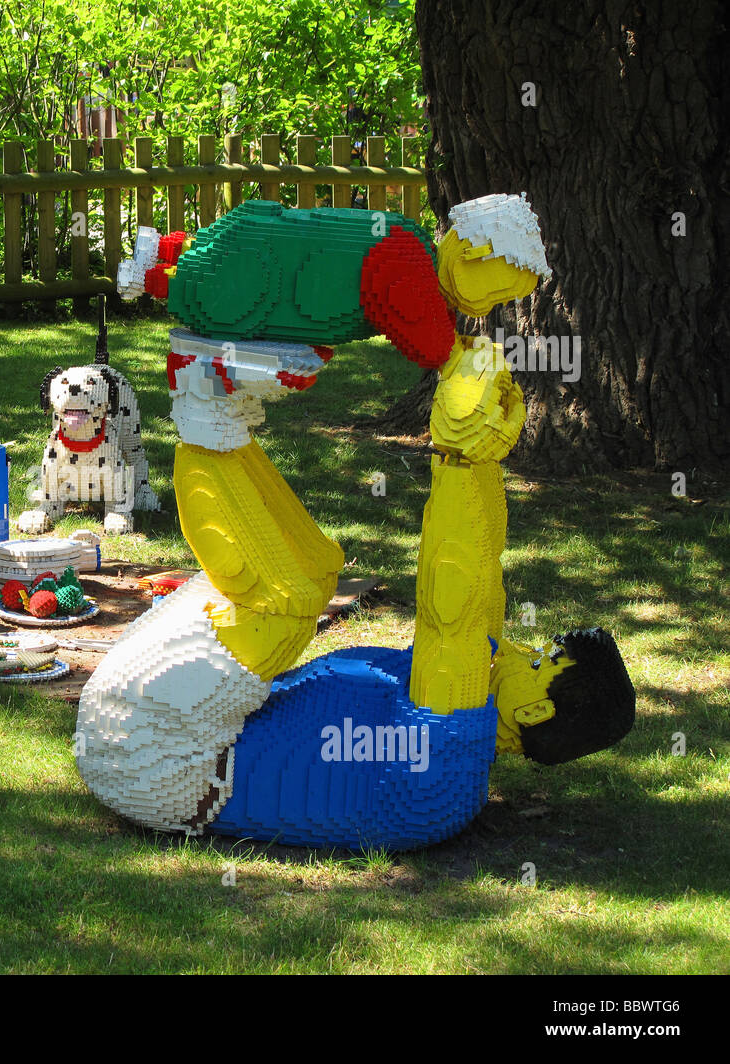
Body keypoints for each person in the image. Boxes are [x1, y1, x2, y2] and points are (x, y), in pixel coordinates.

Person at [77, 195, 635, 847]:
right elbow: (479, 573)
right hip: (158, 734)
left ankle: (205, 398)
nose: (521, 646)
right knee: (313, 572)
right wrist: (483, 455)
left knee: (286, 598)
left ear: (537, 709)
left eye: (541, 660)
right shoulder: (475, 693)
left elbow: (450, 606)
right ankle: (212, 403)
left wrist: (459, 455)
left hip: (153, 758)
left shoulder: (449, 743)